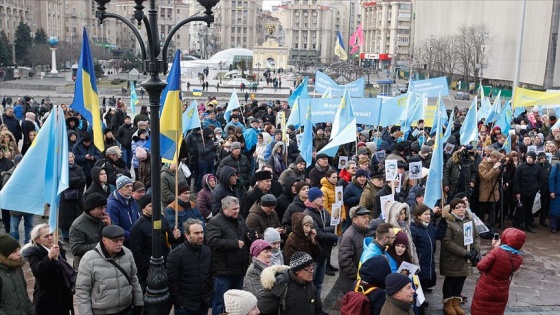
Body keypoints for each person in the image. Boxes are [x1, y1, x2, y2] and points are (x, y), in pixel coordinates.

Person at [75, 225, 144, 315]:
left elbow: (134, 279)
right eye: (115, 241)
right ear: (104, 240)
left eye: (121, 240)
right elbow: (82, 292)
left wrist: (138, 304)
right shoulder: (89, 259)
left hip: (126, 309)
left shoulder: (127, 254)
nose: (120, 244)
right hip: (102, 311)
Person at [206, 196, 252, 315]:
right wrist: (234, 243)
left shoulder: (240, 219)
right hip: (223, 271)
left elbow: (244, 235)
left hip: (239, 269)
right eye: (234, 209)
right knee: (220, 302)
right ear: (225, 208)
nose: (237, 211)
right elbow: (212, 242)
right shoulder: (215, 222)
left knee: (237, 303)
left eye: (238, 208)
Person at [129, 194, 181, 290]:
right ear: (143, 209)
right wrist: (147, 269)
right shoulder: (138, 227)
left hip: (165, 264)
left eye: (155, 204)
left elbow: (170, 239)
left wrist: (176, 236)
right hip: (149, 270)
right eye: (150, 206)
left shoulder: (162, 219)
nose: (154, 208)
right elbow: (136, 252)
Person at [470, 228, 526, 315]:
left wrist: (495, 249)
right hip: (502, 291)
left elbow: (481, 266)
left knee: (480, 311)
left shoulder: (497, 251)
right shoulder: (519, 258)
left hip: (486, 288)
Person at [22, 224, 74, 315]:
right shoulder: (34, 252)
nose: (50, 238)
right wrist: (49, 257)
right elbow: (37, 272)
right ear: (37, 239)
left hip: (62, 296)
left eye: (51, 234)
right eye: (46, 236)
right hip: (46, 298)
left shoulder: (58, 246)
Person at [440, 198, 480, 315]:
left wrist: (475, 250)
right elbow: (447, 242)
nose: (461, 209)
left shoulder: (469, 220)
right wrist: (465, 253)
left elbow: (476, 236)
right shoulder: (448, 222)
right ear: (452, 209)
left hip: (467, 257)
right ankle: (448, 304)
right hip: (452, 258)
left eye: (463, 207)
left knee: (461, 279)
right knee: (451, 280)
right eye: (458, 207)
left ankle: (456, 303)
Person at [166, 219, 213, 315]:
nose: (200, 236)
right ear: (187, 235)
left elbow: (210, 275)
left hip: (203, 303)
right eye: (196, 233)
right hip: (185, 306)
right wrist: (179, 302)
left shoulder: (207, 251)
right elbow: (172, 282)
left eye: (201, 232)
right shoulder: (176, 255)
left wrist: (209, 296)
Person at [258, 251, 327, 315]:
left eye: (313, 267)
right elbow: (262, 309)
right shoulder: (280, 284)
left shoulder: (309, 284)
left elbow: (318, 310)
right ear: (297, 271)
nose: (312, 271)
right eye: (308, 269)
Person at [303, 187, 338, 294]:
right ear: (313, 199)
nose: (323, 199)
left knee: (319, 284)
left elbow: (332, 225)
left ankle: (317, 306)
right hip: (315, 254)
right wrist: (333, 236)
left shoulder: (323, 210)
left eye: (323, 196)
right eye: (319, 197)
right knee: (311, 284)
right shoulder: (308, 213)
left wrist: (325, 230)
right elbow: (319, 235)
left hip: (324, 253)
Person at [69, 192, 111, 269]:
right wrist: (102, 245)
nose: (103, 211)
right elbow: (76, 249)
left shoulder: (103, 219)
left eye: (104, 207)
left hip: (102, 263)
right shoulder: (77, 226)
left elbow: (114, 237)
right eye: (100, 208)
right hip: (85, 266)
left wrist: (110, 226)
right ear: (91, 209)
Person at [410, 204, 445, 291]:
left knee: (426, 280)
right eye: (425, 214)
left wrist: (443, 222)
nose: (428, 216)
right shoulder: (413, 229)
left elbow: (439, 235)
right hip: (420, 260)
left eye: (429, 214)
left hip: (429, 259)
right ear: (418, 216)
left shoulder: (429, 226)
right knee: (419, 281)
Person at [337, 205, 371, 293]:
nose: (367, 219)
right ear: (354, 219)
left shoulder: (365, 231)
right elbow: (344, 260)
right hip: (352, 284)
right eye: (363, 217)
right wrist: (358, 276)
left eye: (367, 216)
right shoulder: (349, 236)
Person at [0, 234, 35, 315]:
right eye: (14, 251)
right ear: (3, 254)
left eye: (19, 249)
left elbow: (25, 297)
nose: (19, 253)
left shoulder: (17, 267)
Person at [513, 151, 544, 233]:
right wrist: (517, 192)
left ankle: (528, 224)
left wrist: (537, 188)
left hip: (532, 192)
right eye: (527, 157)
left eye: (530, 158)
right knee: (520, 208)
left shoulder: (537, 168)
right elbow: (516, 180)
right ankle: (517, 224)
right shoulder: (520, 167)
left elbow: (541, 179)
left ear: (534, 159)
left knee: (529, 209)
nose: (529, 159)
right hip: (521, 192)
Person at [106, 174, 139, 245]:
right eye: (126, 186)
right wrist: (132, 236)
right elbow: (114, 227)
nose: (130, 189)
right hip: (123, 242)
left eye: (131, 186)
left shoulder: (132, 200)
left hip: (135, 240)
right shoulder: (112, 205)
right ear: (119, 188)